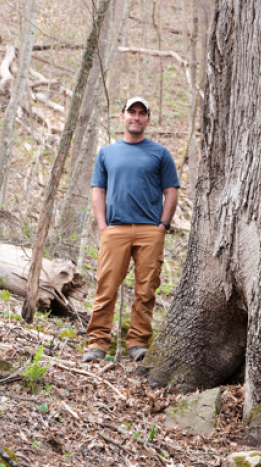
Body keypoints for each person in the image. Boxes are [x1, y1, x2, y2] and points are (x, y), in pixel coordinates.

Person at [83, 96, 180, 362]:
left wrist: (163, 225)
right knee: (106, 286)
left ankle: (138, 342)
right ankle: (97, 343)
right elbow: (98, 190)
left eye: (141, 113)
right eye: (131, 112)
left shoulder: (160, 153)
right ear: (122, 117)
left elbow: (171, 192)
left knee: (146, 290)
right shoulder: (107, 152)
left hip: (150, 230)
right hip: (115, 229)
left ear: (148, 119)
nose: (136, 117)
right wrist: (103, 225)